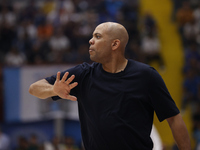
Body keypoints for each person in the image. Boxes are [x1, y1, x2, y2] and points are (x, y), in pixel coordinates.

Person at [29, 22, 191, 150]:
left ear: (115, 44)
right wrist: (52, 89)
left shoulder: (146, 76)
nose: (90, 40)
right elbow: (34, 88)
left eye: (98, 36)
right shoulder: (83, 74)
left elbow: (174, 118)